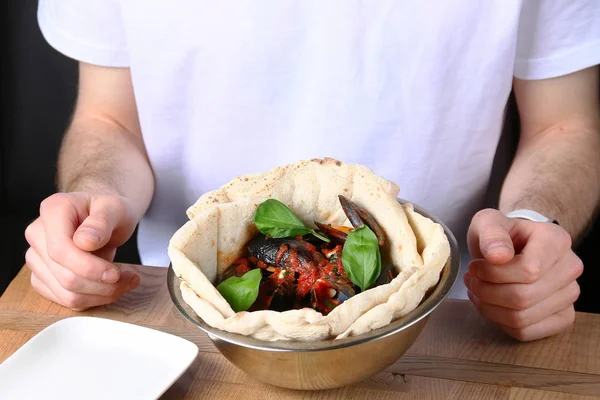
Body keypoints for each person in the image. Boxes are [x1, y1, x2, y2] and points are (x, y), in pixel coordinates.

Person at [25, 1, 600, 342]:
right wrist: (96, 200)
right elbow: (109, 120)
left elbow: (564, 128)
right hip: (178, 316)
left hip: (449, 320)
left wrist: (529, 227)